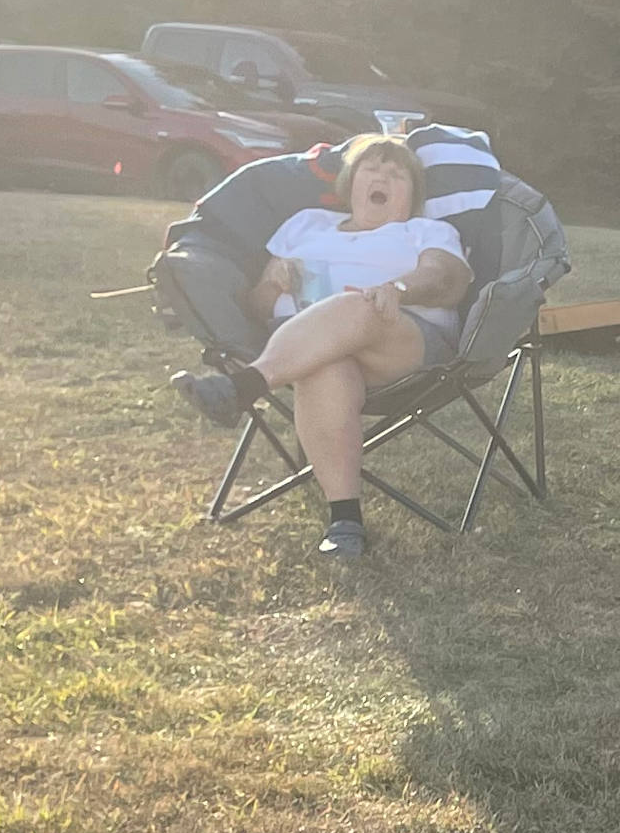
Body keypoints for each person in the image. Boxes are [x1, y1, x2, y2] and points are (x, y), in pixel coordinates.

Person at [175, 132, 473, 561]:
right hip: (308, 352)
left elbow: (448, 279)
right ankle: (345, 521)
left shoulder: (424, 230)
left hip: (399, 342)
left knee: (359, 306)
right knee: (325, 366)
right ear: (350, 183)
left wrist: (399, 289)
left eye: (397, 174)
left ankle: (243, 387)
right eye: (372, 169)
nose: (383, 178)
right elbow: (258, 310)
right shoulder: (305, 225)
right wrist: (272, 282)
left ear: (413, 196)